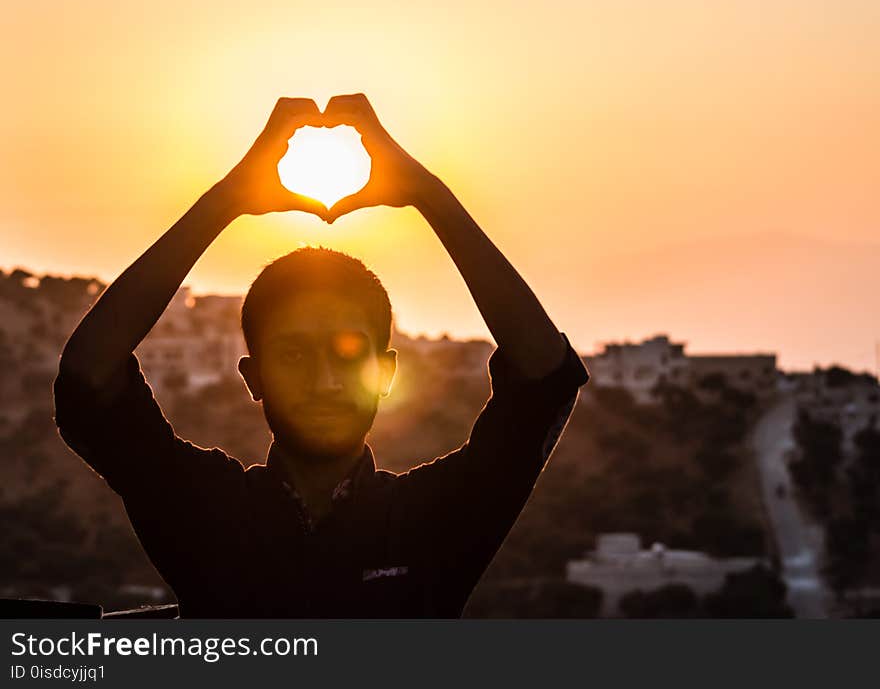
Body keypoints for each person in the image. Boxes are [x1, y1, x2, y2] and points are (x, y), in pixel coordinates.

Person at [53, 94, 589, 618]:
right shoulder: (204, 508)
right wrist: (226, 200)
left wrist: (428, 194)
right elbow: (89, 378)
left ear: (387, 373)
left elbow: (543, 376)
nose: (326, 380)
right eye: (293, 355)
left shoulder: (432, 519)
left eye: (349, 355)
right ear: (253, 377)